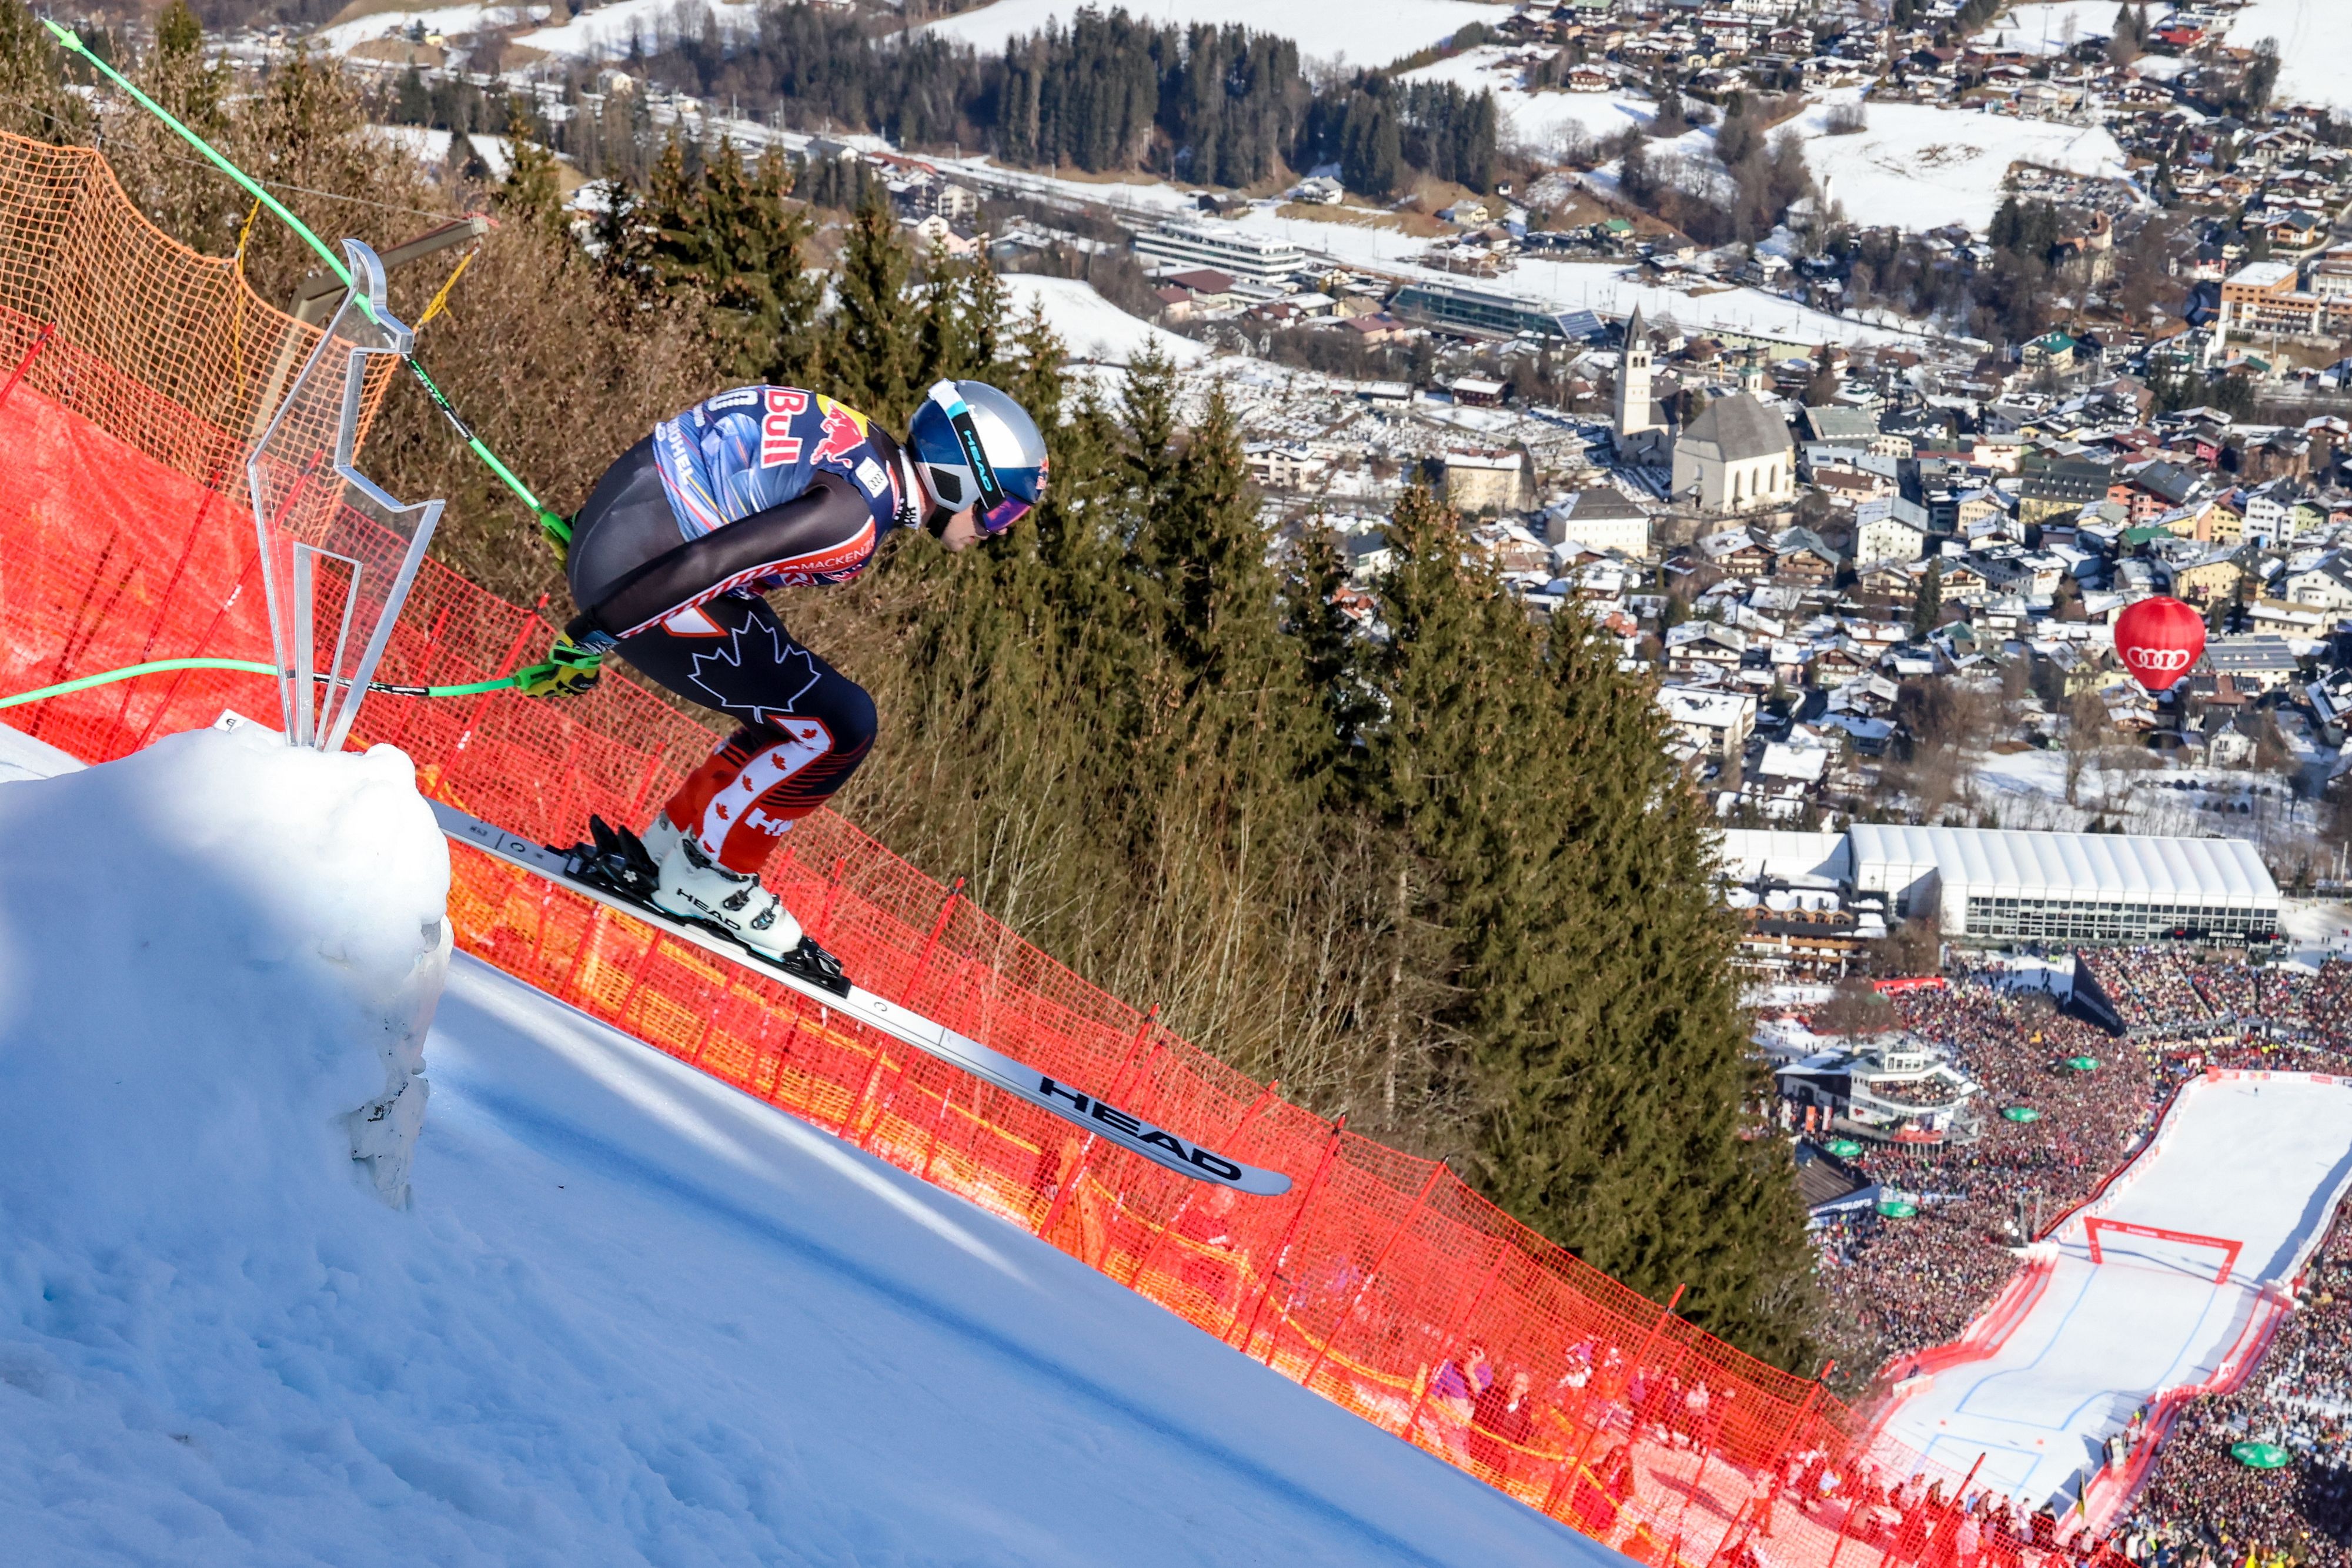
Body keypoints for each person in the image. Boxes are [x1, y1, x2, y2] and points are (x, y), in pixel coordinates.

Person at [520, 380, 1047, 983]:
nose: (1001, 529)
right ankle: (712, 878)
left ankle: (674, 848)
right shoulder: (850, 522)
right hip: (649, 572)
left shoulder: (863, 445)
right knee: (841, 724)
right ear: (959, 476)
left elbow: (698, 456)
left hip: (632, 539)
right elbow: (706, 565)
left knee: (796, 708)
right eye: (1003, 508)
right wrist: (593, 633)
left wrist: (601, 541)